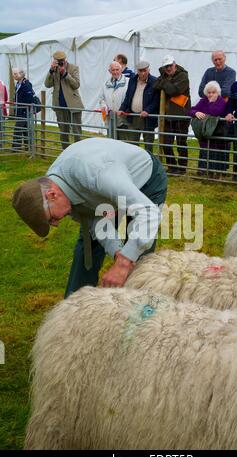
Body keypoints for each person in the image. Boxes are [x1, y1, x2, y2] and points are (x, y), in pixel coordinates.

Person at [12, 138, 167, 298]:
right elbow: (96, 222)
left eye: (51, 219)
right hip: (103, 190)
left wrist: (124, 263)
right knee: (87, 247)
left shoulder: (97, 173)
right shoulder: (56, 187)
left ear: (52, 195)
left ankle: (138, 313)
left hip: (144, 181)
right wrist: (118, 252)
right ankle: (74, 309)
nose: (56, 224)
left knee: (138, 256)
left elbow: (149, 213)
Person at [153, 55, 191, 174]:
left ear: (174, 64)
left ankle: (182, 167)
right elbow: (155, 85)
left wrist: (164, 83)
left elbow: (174, 91)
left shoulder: (183, 76)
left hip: (181, 115)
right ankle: (172, 166)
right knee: (166, 142)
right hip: (168, 115)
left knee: (181, 142)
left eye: (170, 65)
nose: (168, 68)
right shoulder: (164, 76)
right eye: (166, 66)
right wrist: (166, 83)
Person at [44, 51, 84, 150]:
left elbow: (76, 84)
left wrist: (65, 74)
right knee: (63, 132)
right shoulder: (54, 70)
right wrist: (51, 71)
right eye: (58, 61)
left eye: (61, 61)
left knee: (77, 132)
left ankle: (79, 152)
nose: (60, 63)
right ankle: (65, 153)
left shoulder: (73, 68)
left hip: (73, 104)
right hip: (59, 105)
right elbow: (47, 84)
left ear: (65, 59)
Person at [118, 60, 160, 152]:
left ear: (149, 70)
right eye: (140, 71)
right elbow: (128, 97)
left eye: (145, 70)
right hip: (133, 117)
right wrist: (122, 109)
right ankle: (136, 164)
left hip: (148, 119)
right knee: (133, 145)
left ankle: (149, 163)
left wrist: (147, 111)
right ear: (137, 71)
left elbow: (156, 101)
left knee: (148, 145)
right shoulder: (132, 80)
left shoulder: (154, 81)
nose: (143, 73)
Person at [189, 81, 227, 178]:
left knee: (217, 152)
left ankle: (218, 173)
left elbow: (215, 112)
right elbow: (191, 109)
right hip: (205, 132)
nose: (211, 94)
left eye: (213, 92)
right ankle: (205, 172)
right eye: (209, 92)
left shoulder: (221, 101)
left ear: (217, 92)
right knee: (205, 151)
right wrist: (196, 113)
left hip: (217, 131)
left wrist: (211, 103)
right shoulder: (204, 100)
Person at [99, 61, 129, 133]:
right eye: (113, 70)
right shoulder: (105, 84)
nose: (115, 72)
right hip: (110, 119)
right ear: (109, 71)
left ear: (121, 70)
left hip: (123, 120)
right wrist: (104, 106)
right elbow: (101, 99)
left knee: (122, 142)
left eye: (117, 69)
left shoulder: (128, 82)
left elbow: (129, 99)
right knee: (111, 142)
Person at [12, 68, 34, 151]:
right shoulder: (18, 84)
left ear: (21, 74)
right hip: (20, 110)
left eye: (16, 74)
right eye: (13, 74)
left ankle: (16, 148)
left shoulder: (26, 84)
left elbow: (29, 99)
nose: (14, 76)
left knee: (18, 129)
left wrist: (24, 107)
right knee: (25, 130)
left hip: (25, 111)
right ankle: (28, 147)